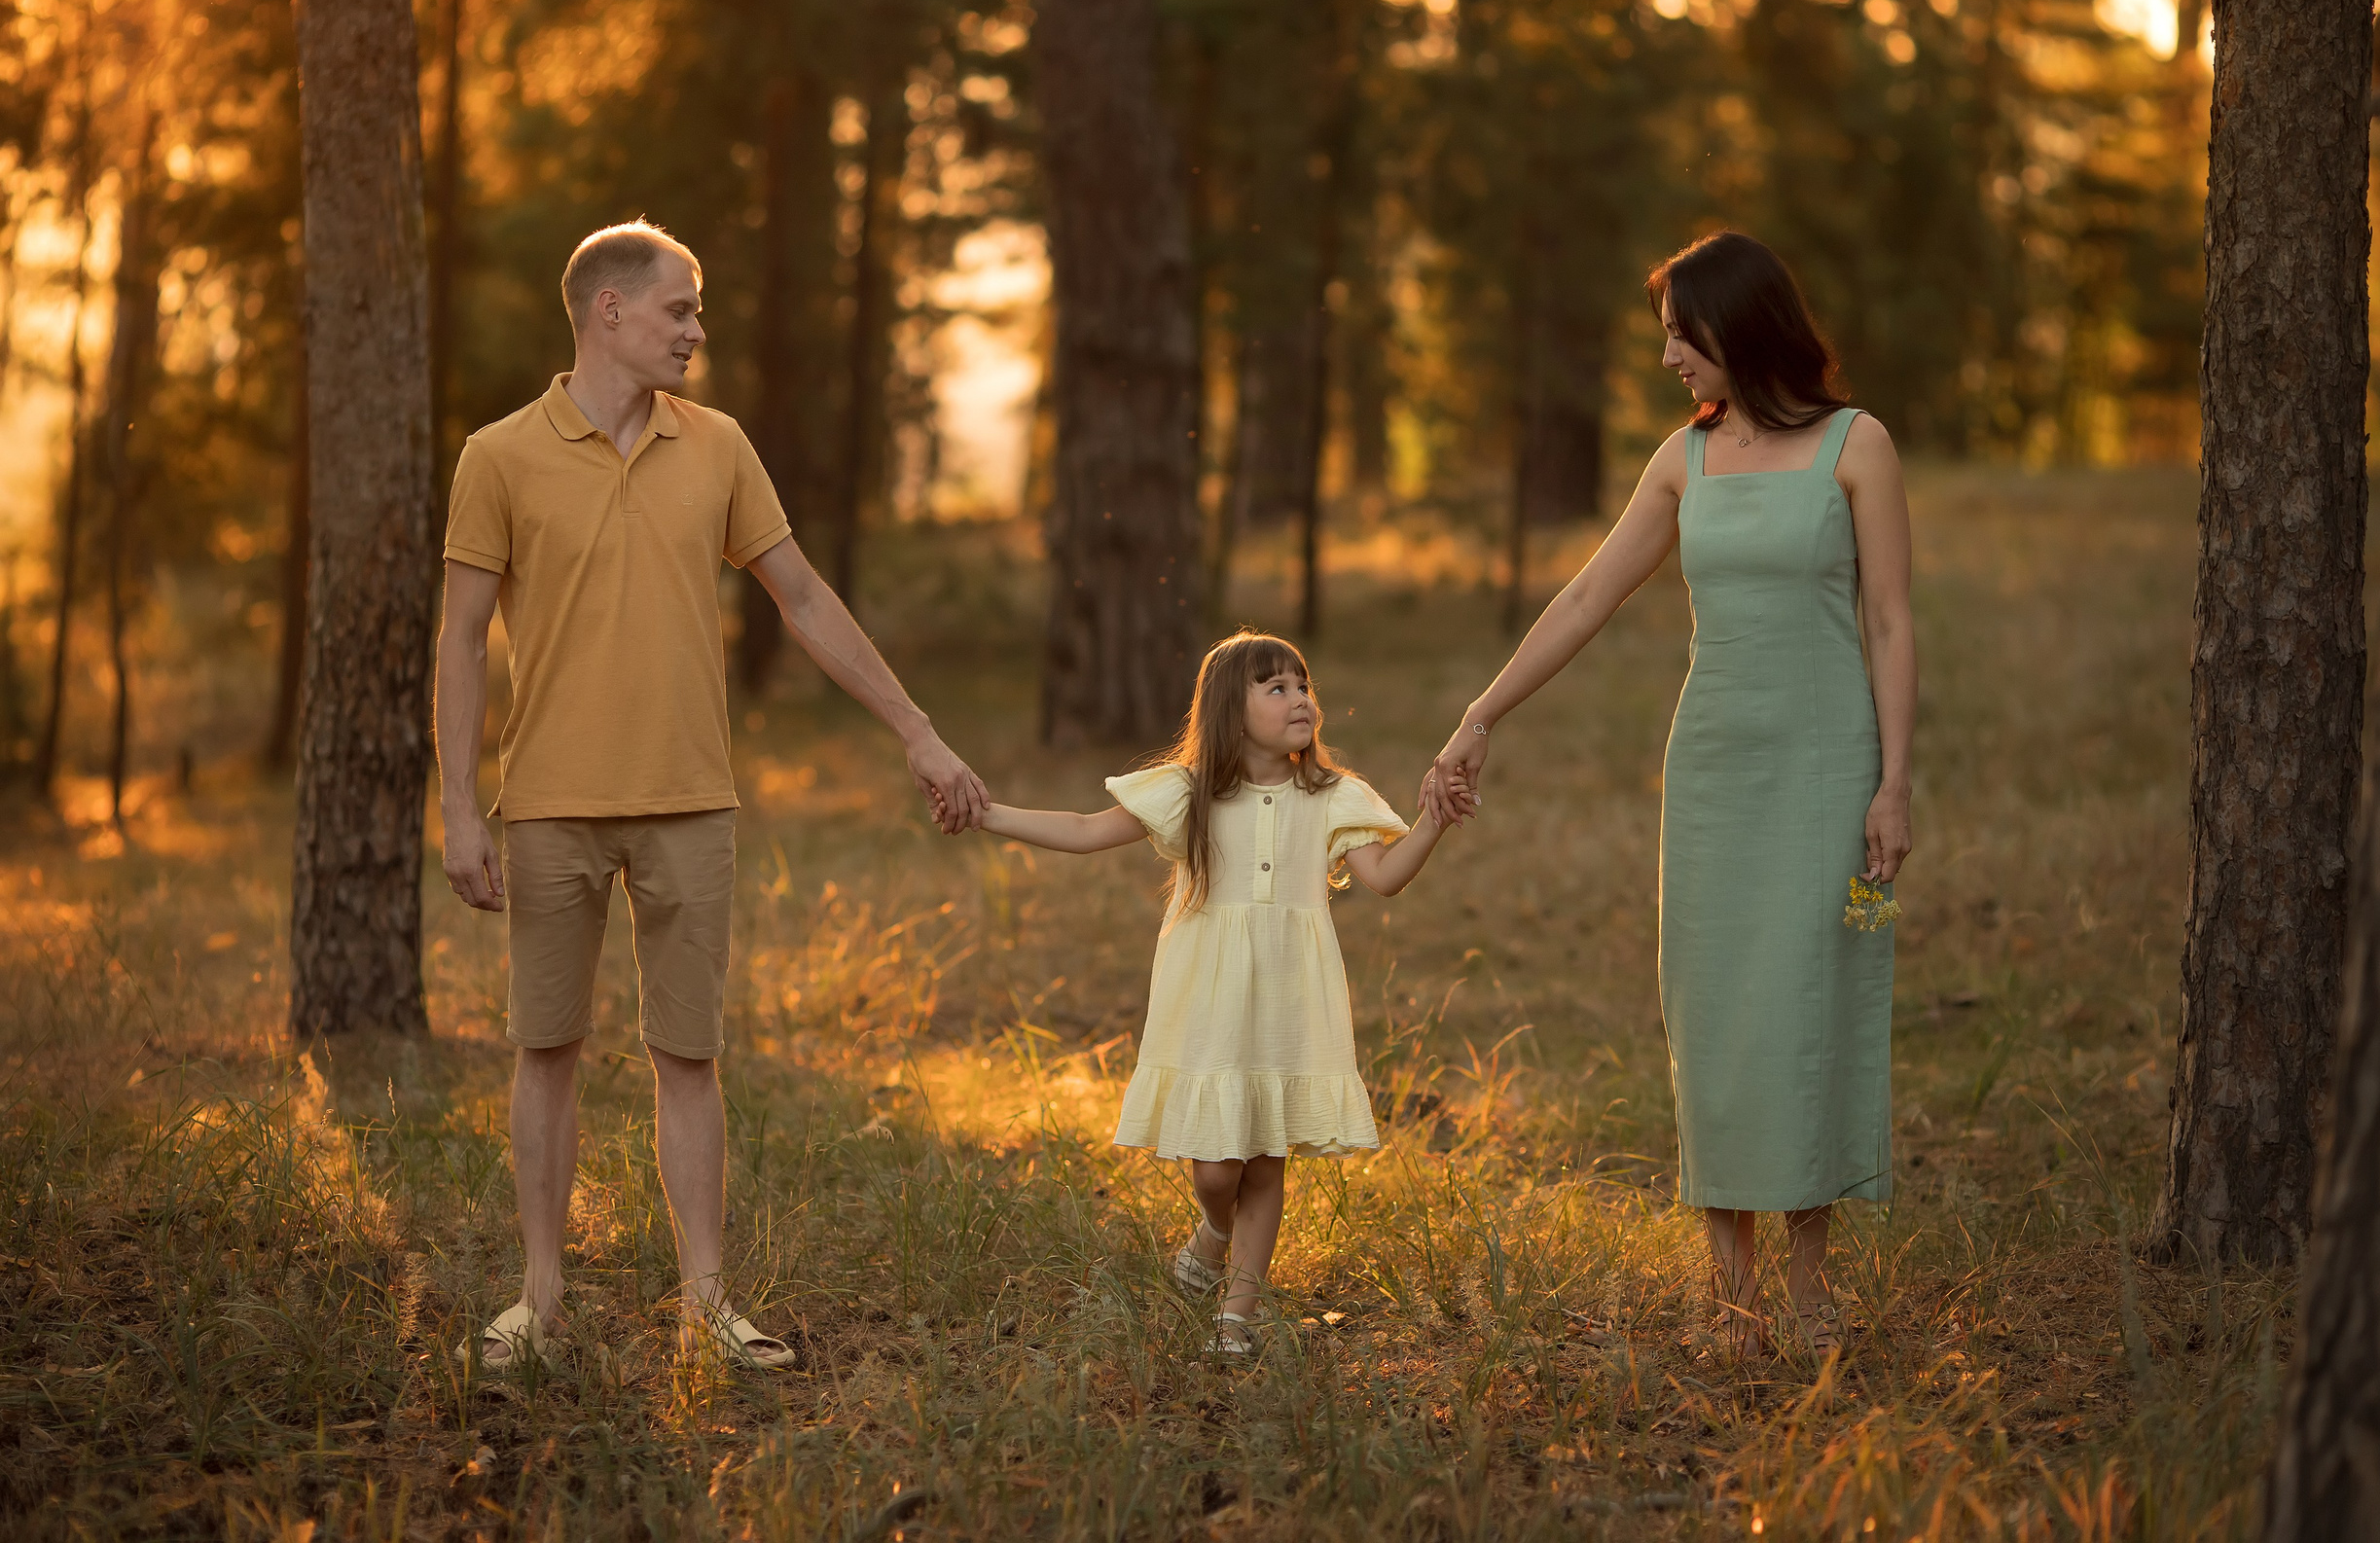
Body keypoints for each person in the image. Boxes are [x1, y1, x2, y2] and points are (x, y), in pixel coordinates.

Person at [435, 220, 989, 1372]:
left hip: (693, 800)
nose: (697, 328)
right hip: (547, 805)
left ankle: (703, 1300)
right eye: (679, 308)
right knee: (549, 1049)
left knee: (690, 1055)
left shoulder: (721, 445)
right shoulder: (498, 454)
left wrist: (919, 732)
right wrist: (457, 807)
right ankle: (538, 1298)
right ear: (610, 313)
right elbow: (461, 640)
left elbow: (805, 598)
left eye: (696, 310)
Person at [1425, 232, 1916, 1361]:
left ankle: (1806, 1283)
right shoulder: (1680, 459)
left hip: (1829, 770)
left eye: (1680, 334)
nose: (1665, 357)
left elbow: (1890, 619)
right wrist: (1480, 713)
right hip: (1709, 775)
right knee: (1712, 1009)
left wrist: (1894, 781)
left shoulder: (1858, 444)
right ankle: (1727, 1283)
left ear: (1737, 328)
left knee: (1811, 994)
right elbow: (1590, 594)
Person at [970, 629, 1454, 1353]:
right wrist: (986, 814)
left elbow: (1384, 876)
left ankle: (1238, 1311)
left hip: (1289, 997)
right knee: (1217, 1167)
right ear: (1231, 710)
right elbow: (1081, 829)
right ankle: (1213, 1229)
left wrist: (1435, 821)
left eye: (1304, 685)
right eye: (1278, 688)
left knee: (1265, 1153)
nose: (1301, 699)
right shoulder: (1188, 791)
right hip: (1208, 995)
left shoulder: (1332, 795)